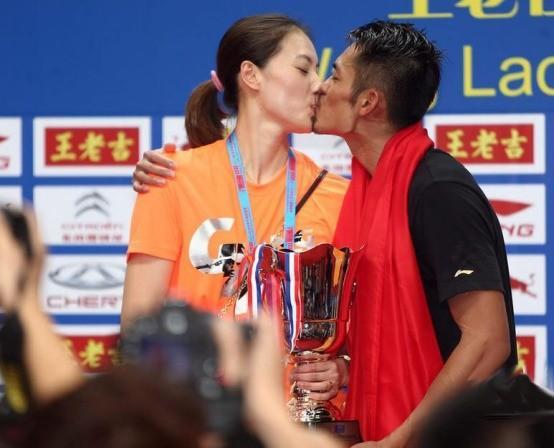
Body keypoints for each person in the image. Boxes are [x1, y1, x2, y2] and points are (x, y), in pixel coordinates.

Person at [0, 206, 343, 448]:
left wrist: (23, 297)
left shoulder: (91, 429)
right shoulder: (259, 417)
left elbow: (70, 412)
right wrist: (268, 412)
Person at [122, 14, 348, 342]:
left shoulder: (335, 193)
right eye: (303, 69)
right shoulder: (169, 178)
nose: (318, 85)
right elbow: (137, 331)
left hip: (289, 378)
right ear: (251, 75)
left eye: (318, 71)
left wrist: (340, 362)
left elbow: (345, 327)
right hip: (197, 376)